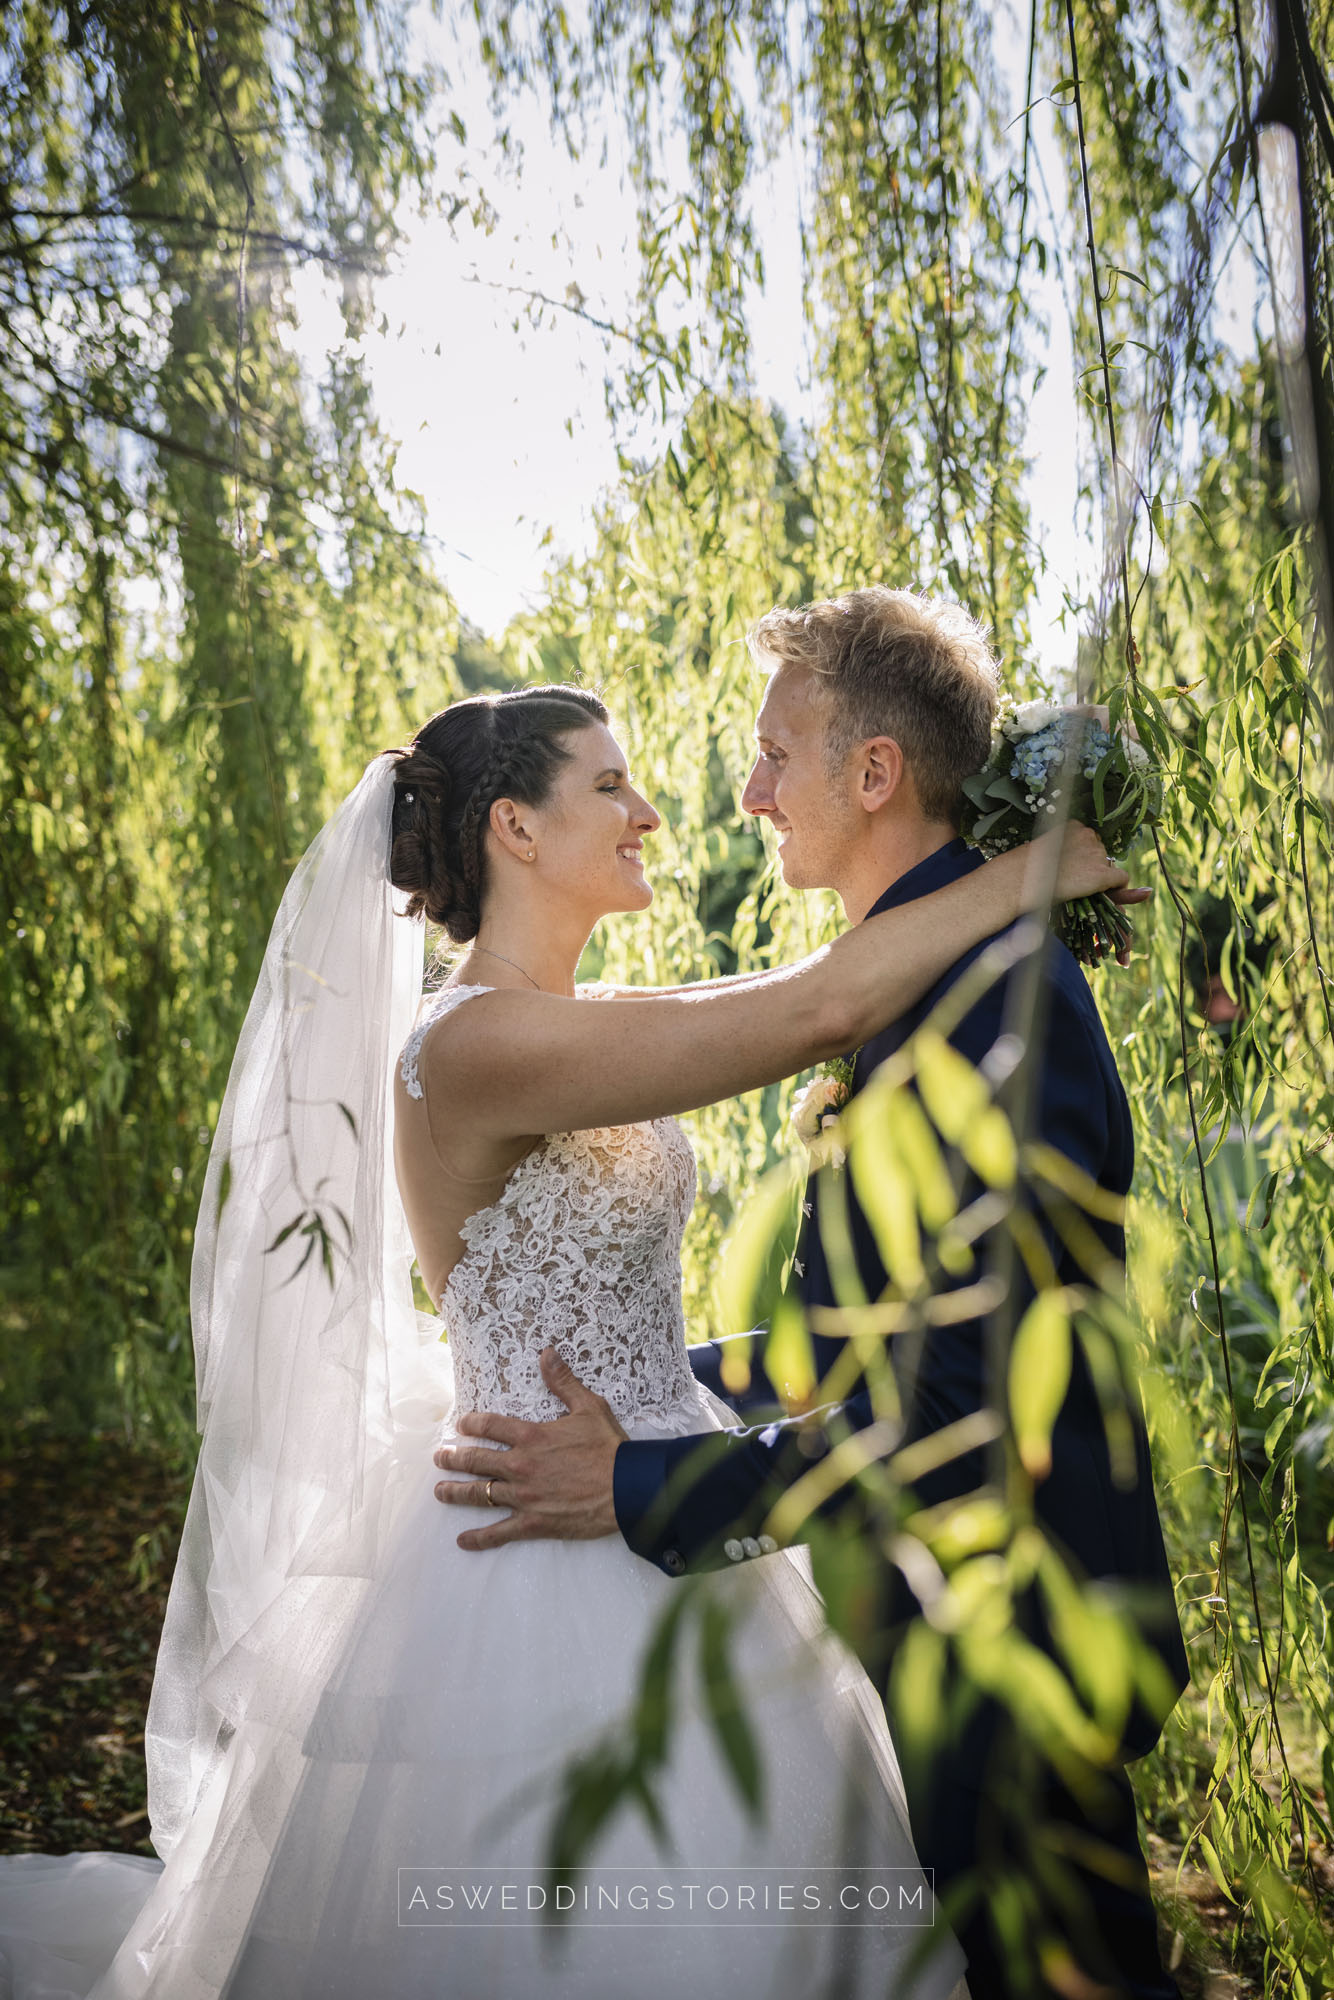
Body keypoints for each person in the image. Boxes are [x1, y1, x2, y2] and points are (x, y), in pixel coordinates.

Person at [0, 675, 1128, 2000]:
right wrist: (1033, 871)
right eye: (608, 784)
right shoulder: (469, 1048)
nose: (649, 813)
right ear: (514, 831)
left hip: (653, 1508)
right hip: (539, 1561)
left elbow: (789, 989)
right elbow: (817, 1009)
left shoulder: (565, 1024)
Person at [430, 593, 1190, 2000]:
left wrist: (647, 1481)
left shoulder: (988, 1002)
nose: (740, 791)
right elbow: (860, 1336)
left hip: (1012, 1645)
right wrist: (668, 1387)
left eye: (773, 753)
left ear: (875, 773)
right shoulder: (916, 979)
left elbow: (949, 1397)